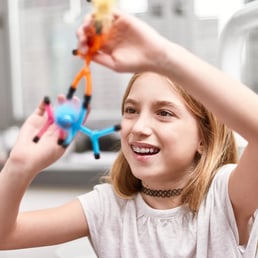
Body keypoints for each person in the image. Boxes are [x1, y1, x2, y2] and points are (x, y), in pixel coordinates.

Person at [0, 10, 257, 258]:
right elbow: (4, 236)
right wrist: (19, 167)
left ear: (203, 138)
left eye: (164, 113)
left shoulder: (225, 198)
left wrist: (164, 56)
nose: (138, 127)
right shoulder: (106, 207)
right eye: (131, 110)